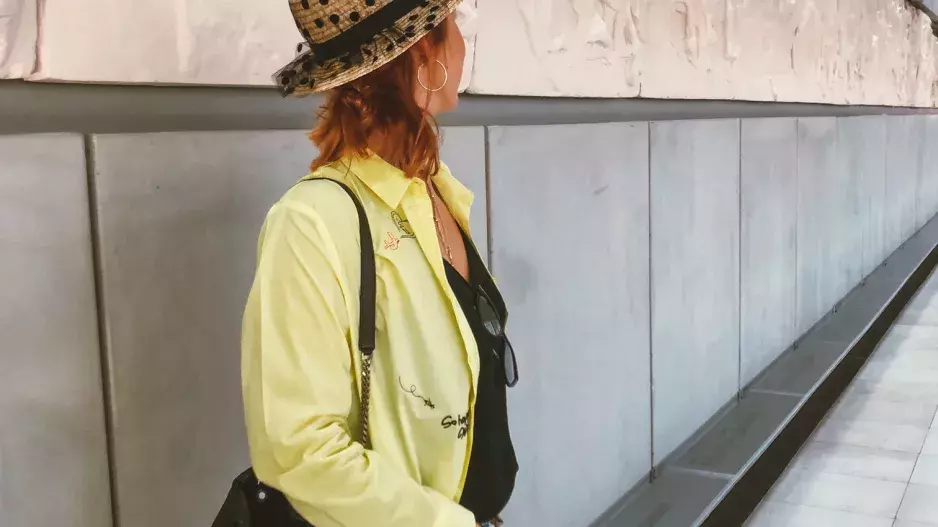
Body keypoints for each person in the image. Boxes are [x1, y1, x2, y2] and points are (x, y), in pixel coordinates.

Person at [241, 1, 518, 526]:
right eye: (454, 25)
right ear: (422, 52)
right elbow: (298, 448)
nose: (464, 44)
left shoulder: (433, 190)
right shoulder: (310, 223)